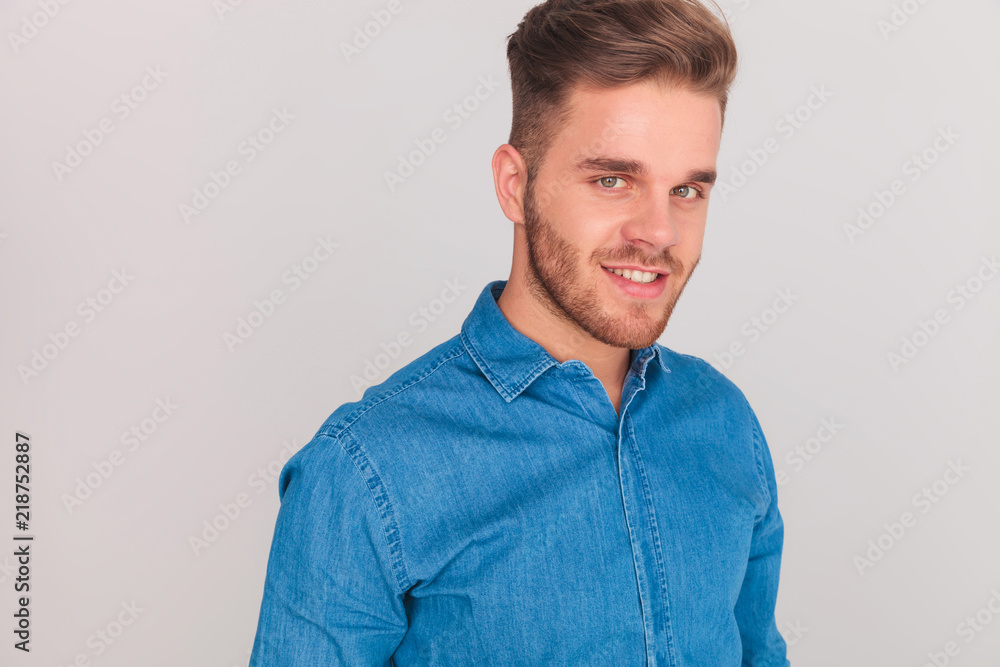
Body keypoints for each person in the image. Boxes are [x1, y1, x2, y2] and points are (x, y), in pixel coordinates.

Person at [249, 0, 790, 664]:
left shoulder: (725, 422)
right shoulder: (364, 471)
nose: (659, 232)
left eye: (687, 191)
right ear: (514, 184)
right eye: (613, 179)